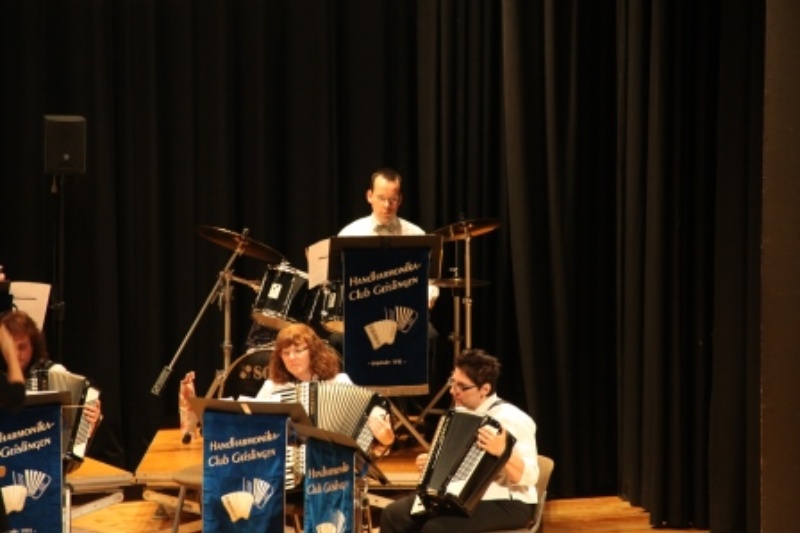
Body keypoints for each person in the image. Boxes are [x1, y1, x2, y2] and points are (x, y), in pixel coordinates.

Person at [380, 348, 539, 533]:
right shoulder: (460, 415)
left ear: (485, 389)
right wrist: (432, 465)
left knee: (436, 529)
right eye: (452, 383)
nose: (453, 391)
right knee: (393, 514)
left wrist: (504, 453)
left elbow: (530, 476)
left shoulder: (512, 418)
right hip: (461, 499)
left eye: (462, 387)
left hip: (508, 503)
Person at [254, 323, 395, 450]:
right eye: (285, 353)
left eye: (298, 350)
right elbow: (255, 428)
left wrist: (384, 441)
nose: (291, 357)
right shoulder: (272, 388)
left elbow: (368, 441)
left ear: (313, 351)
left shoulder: (339, 383)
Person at [338, 167, 439, 309]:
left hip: (405, 310)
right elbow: (337, 282)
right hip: (362, 310)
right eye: (381, 198)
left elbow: (431, 281)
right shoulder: (349, 234)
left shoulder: (417, 235)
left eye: (393, 199)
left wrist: (429, 294)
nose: (387, 205)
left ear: (400, 199)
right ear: (369, 196)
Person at [0, 310, 102, 438]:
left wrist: (92, 420)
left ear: (33, 345)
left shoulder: (54, 372)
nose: (16, 354)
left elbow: (71, 430)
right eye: (11, 348)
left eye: (22, 347)